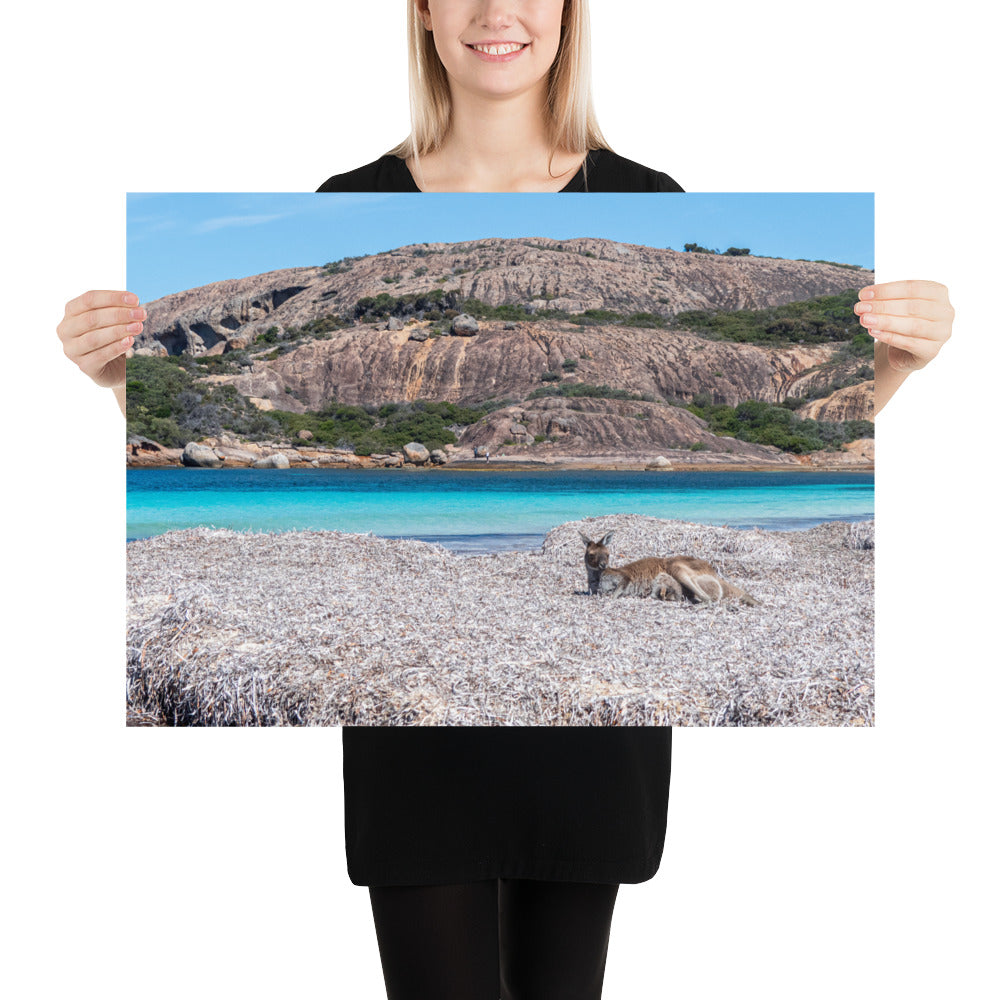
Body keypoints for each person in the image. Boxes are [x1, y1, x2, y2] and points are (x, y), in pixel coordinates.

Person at [56, 2, 953, 998]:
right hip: (419, 767)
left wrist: (899, 367)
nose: (496, 12)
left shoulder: (645, 194)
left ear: (570, 13)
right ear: (424, 13)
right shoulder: (349, 196)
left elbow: (841, 439)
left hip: (591, 757)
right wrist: (112, 383)